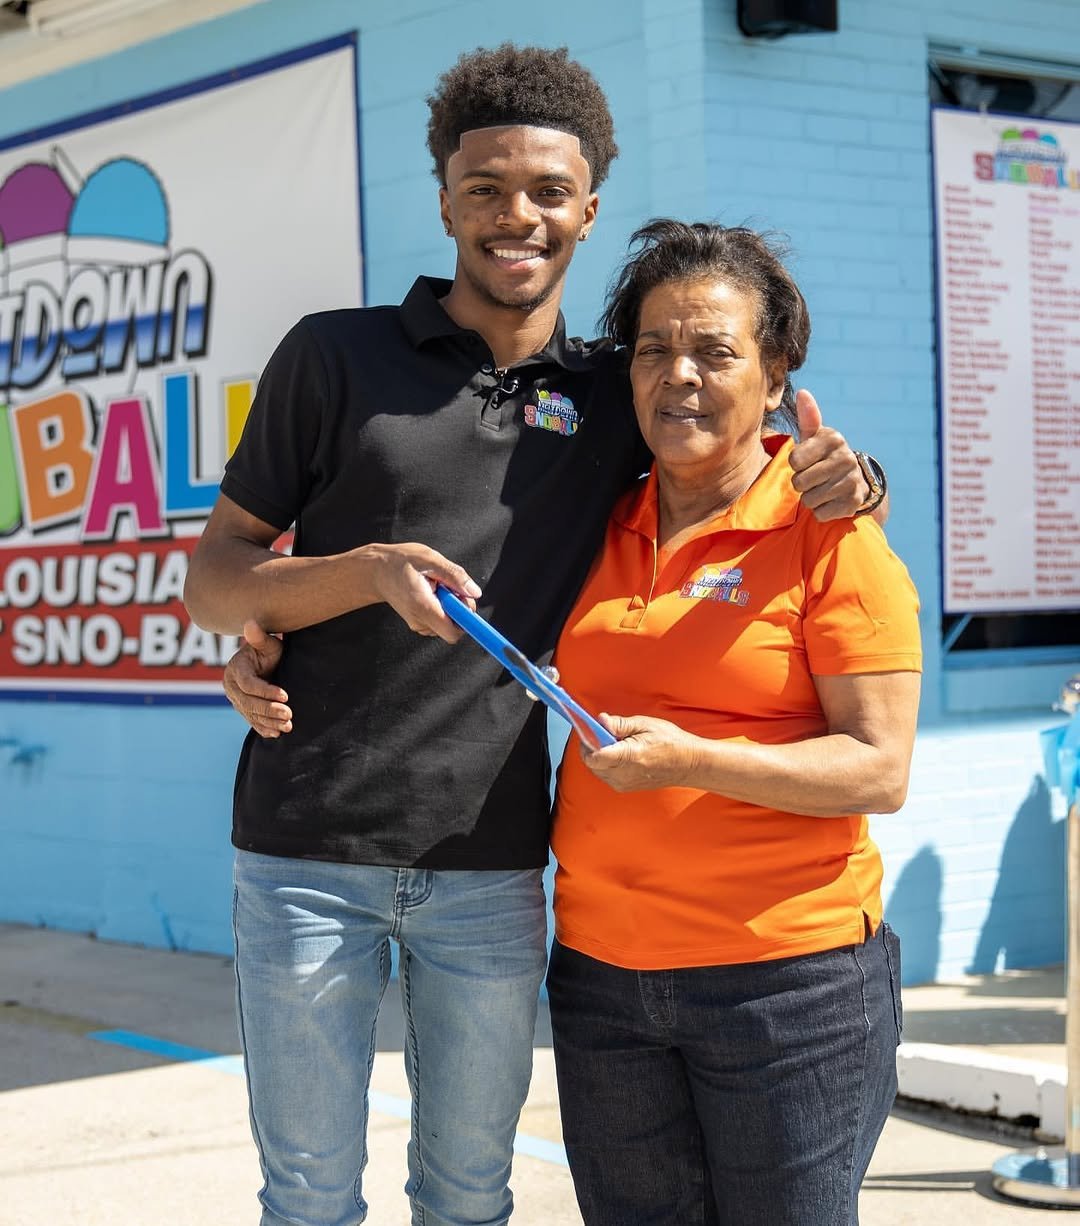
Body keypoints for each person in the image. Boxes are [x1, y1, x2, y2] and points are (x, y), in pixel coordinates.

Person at [187, 44, 882, 1226]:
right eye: (487, 187)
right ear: (446, 197)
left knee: (469, 1193)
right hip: (304, 850)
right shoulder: (331, 354)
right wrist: (349, 575)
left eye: (549, 192)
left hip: (494, 865)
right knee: (306, 1194)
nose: (518, 216)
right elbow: (216, 581)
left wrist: (856, 475)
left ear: (588, 207)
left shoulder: (620, 391)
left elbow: (751, 453)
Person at [544, 220, 922, 1226]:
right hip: (603, 985)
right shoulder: (596, 521)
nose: (682, 375)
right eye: (656, 348)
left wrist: (695, 761)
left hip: (783, 991)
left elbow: (880, 767)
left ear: (776, 370)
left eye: (715, 350)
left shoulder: (827, 532)